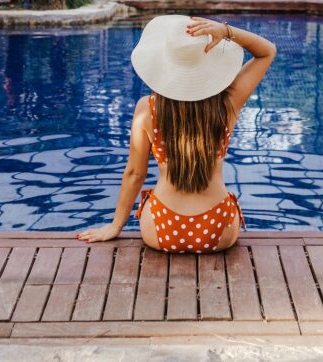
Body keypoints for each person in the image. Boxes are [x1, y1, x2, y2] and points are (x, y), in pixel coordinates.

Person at [77, 15, 276, 253]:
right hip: (218, 229)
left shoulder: (147, 110)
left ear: (164, 65)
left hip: (161, 229)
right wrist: (226, 31)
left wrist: (115, 226)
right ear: (210, 63)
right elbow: (267, 51)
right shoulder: (228, 104)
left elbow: (135, 173)